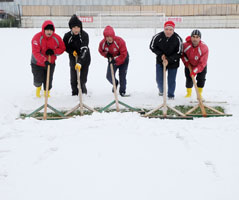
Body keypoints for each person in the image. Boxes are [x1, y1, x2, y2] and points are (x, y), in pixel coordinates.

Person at [31, 20, 65, 97]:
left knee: (48, 79)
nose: (49, 32)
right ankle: (38, 90)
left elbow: (62, 48)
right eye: (47, 30)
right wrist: (44, 60)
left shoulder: (56, 38)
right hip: (37, 63)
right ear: (43, 29)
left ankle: (47, 93)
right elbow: (35, 52)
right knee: (38, 79)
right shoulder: (37, 38)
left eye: (51, 30)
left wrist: (54, 51)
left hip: (51, 62)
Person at [150, 21, 183, 99]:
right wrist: (161, 55)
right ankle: (161, 90)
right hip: (160, 61)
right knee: (159, 79)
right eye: (166, 29)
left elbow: (179, 52)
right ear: (164, 29)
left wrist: (169, 59)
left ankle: (171, 95)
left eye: (170, 29)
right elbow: (152, 47)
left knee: (171, 80)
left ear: (173, 30)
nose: (168, 31)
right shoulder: (157, 36)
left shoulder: (177, 39)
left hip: (173, 62)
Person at [63, 14, 91, 95]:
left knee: (82, 78)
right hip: (73, 57)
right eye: (74, 27)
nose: (76, 29)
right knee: (73, 78)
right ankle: (74, 93)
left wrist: (80, 62)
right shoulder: (67, 36)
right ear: (71, 27)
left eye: (78, 27)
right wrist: (71, 52)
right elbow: (65, 47)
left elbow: (84, 49)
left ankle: (83, 91)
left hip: (85, 57)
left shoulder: (84, 35)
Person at [98, 25, 129, 97]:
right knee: (109, 76)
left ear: (113, 35)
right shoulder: (102, 44)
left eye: (111, 36)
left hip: (123, 59)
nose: (109, 38)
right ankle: (115, 83)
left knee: (122, 76)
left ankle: (122, 92)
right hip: (112, 59)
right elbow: (100, 51)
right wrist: (106, 55)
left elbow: (124, 54)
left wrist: (115, 60)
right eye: (107, 37)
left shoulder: (120, 41)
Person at [181, 30, 209, 98]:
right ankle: (188, 93)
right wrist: (186, 62)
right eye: (193, 37)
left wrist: (195, 71)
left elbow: (202, 63)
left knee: (201, 79)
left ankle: (199, 94)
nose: (195, 39)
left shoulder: (204, 48)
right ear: (191, 37)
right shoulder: (185, 45)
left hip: (201, 65)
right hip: (189, 64)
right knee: (189, 79)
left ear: (200, 38)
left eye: (197, 37)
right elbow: (182, 54)